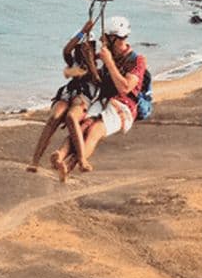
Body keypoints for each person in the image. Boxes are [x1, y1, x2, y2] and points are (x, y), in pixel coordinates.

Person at [51, 15, 147, 181]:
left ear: (114, 38)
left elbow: (125, 87)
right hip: (103, 101)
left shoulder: (137, 61)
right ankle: (60, 156)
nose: (103, 40)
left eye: (106, 37)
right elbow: (85, 67)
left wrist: (109, 62)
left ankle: (71, 164)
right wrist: (84, 43)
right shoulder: (104, 54)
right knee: (81, 127)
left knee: (95, 130)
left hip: (124, 106)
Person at [27, 19, 101, 172]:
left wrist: (90, 62)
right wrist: (83, 32)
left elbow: (97, 80)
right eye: (79, 48)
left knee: (71, 117)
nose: (81, 51)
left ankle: (81, 159)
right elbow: (66, 51)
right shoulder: (73, 60)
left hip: (84, 94)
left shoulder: (99, 62)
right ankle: (35, 161)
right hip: (69, 92)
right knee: (55, 117)